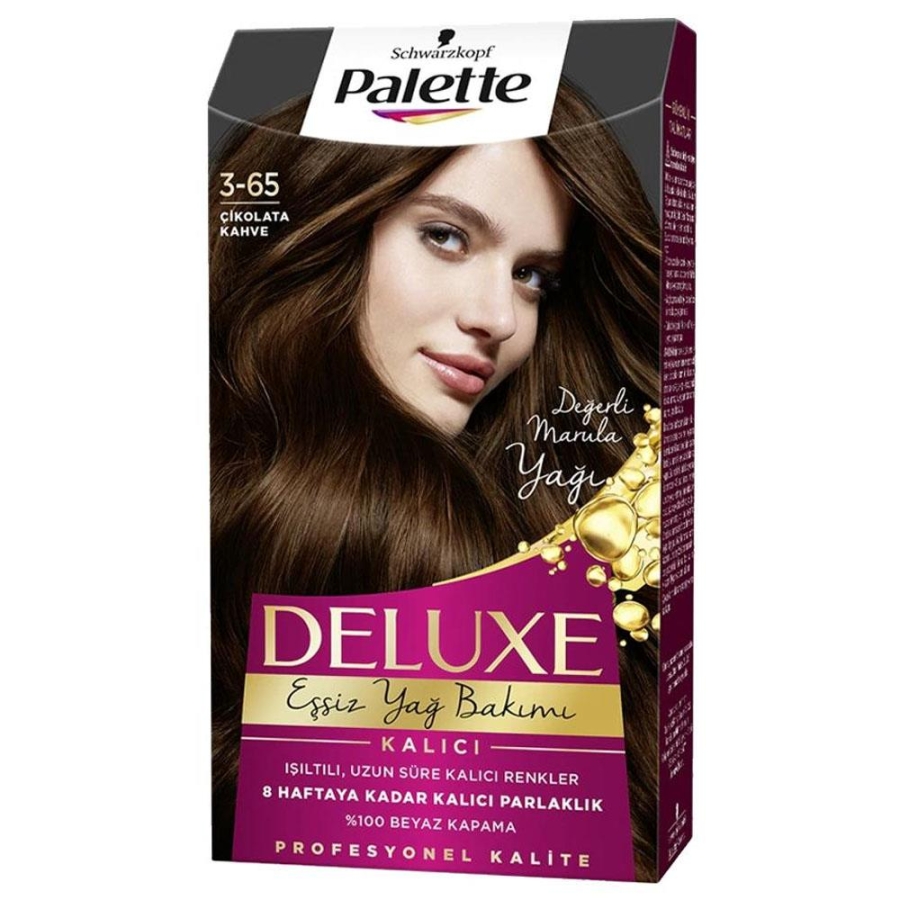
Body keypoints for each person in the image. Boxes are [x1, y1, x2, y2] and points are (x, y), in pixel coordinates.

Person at [209, 77, 660, 879]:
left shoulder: (563, 531)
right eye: (447, 237)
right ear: (329, 225)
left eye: (534, 276)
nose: (500, 318)